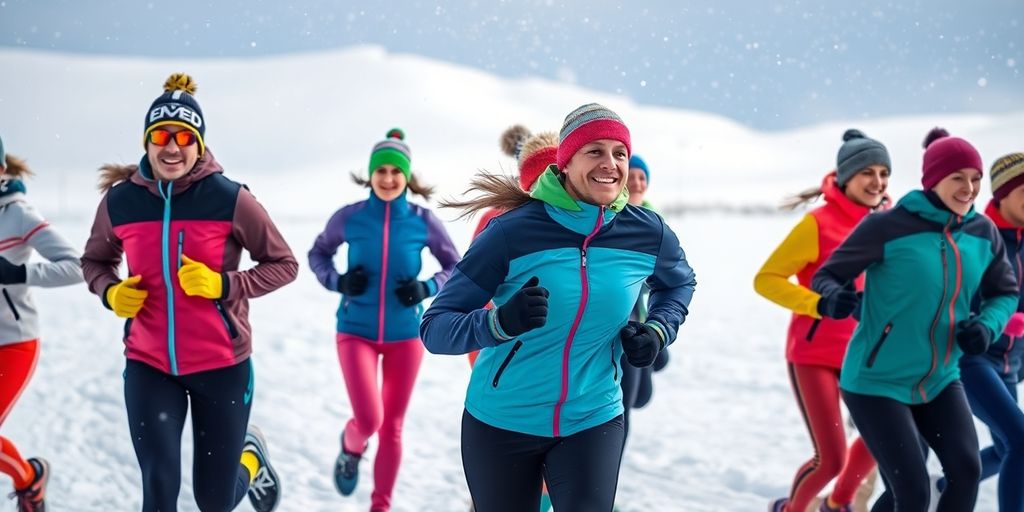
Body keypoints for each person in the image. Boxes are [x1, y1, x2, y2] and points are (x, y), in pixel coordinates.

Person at [420, 103, 697, 512]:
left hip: (594, 416)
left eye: (619, 153)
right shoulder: (511, 232)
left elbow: (680, 284)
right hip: (501, 421)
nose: (611, 164)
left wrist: (658, 329)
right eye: (595, 151)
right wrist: (498, 323)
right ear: (565, 163)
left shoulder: (646, 232)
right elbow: (436, 327)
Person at [81, 73, 297, 512]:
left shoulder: (230, 198)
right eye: (161, 135)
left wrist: (224, 284)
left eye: (184, 136)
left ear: (199, 143)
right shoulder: (120, 202)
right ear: (147, 142)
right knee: (158, 493)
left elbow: (284, 264)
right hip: (148, 363)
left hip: (222, 364)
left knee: (213, 501)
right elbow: (94, 261)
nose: (172, 146)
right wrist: (110, 292)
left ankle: (250, 459)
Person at [813, 128, 1018, 512]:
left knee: (966, 472)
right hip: (876, 382)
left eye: (975, 179)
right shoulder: (888, 226)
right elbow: (828, 275)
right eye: (957, 178)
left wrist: (987, 324)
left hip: (941, 377)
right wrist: (833, 297)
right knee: (912, 491)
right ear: (933, 181)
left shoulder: (981, 232)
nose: (969, 189)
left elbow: (1004, 293)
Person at [308, 128, 459, 512]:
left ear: (407, 176)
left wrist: (427, 288)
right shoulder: (350, 218)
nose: (389, 179)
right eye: (382, 171)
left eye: (396, 171)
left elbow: (455, 267)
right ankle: (351, 445)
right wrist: (337, 280)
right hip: (354, 332)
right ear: (370, 175)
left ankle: (381, 506)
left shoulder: (424, 221)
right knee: (369, 418)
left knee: (391, 427)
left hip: (406, 334)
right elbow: (318, 254)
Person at [755, 129, 886, 512]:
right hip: (815, 355)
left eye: (884, 173)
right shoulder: (818, 224)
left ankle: (836, 504)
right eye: (868, 172)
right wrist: (819, 304)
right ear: (846, 176)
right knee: (831, 458)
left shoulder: (891, 223)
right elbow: (766, 279)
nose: (877, 182)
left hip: (868, 354)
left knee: (883, 438)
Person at [936, 152, 1024, 511]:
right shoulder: (976, 236)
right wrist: (1009, 320)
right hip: (972, 360)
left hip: (1010, 362)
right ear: (1003, 194)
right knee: (1019, 442)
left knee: (1009, 447)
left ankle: (940, 487)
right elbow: (957, 302)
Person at [0, 134, 84, 511]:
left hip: (13, 343)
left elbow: (76, 266)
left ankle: (30, 480)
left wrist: (18, 273)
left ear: (1, 171)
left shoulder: (18, 214)